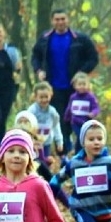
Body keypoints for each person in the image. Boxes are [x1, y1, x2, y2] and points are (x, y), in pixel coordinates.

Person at [31, 9, 100, 149]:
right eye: (57, 19)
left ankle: (80, 148)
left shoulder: (79, 39)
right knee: (59, 118)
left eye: (63, 19)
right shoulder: (45, 38)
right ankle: (63, 149)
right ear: (52, 21)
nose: (60, 22)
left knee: (76, 119)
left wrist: (81, 73)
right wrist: (39, 70)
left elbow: (93, 58)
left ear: (68, 20)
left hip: (74, 88)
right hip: (53, 87)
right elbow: (35, 56)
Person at [64, 72, 100, 153]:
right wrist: (66, 118)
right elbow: (69, 108)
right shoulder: (73, 97)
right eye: (79, 84)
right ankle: (79, 152)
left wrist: (93, 113)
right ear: (75, 85)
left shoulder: (90, 97)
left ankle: (83, 151)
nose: (82, 87)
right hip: (75, 122)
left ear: (88, 85)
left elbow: (96, 108)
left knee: (84, 137)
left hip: (86, 122)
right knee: (81, 136)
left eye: (84, 84)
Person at [28, 81, 65, 158]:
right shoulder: (32, 111)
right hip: (34, 143)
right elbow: (26, 126)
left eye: (46, 97)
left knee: (45, 161)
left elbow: (56, 126)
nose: (44, 100)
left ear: (51, 96)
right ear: (35, 97)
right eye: (41, 97)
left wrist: (59, 141)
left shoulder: (52, 112)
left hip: (46, 143)